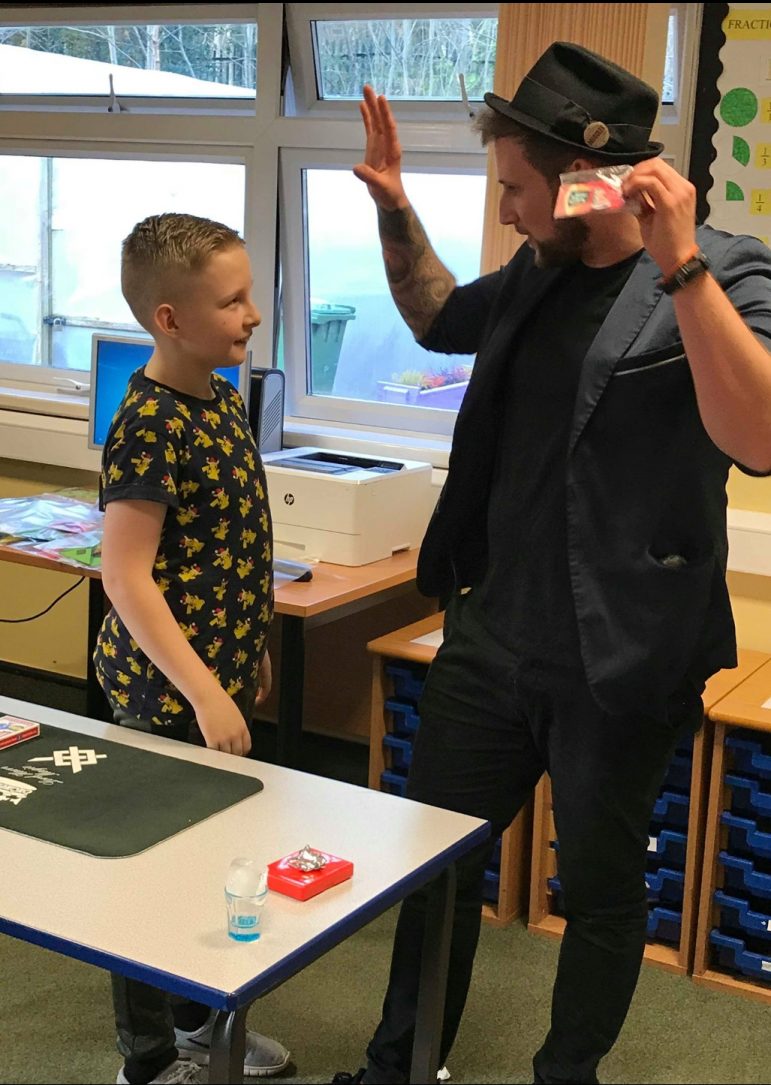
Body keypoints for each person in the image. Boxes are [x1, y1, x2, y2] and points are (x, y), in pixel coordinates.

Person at [334, 41, 771, 1085]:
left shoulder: (727, 269)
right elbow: (439, 316)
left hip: (623, 657)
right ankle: (401, 1063)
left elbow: (758, 436)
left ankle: (565, 1072)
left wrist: (683, 264)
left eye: (518, 190)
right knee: (434, 865)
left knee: (605, 888)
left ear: (588, 183)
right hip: (493, 637)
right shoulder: (539, 269)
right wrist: (395, 206)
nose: (507, 211)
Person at [93, 212, 290, 1085]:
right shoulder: (149, 422)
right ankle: (147, 1057)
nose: (252, 315)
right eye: (233, 301)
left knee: (207, 864)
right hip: (162, 695)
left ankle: (196, 1026)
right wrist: (206, 692)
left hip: (216, 679)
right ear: (168, 317)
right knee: (147, 877)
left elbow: (231, 550)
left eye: (250, 295)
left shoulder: (217, 396)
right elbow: (127, 578)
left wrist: (249, 657)